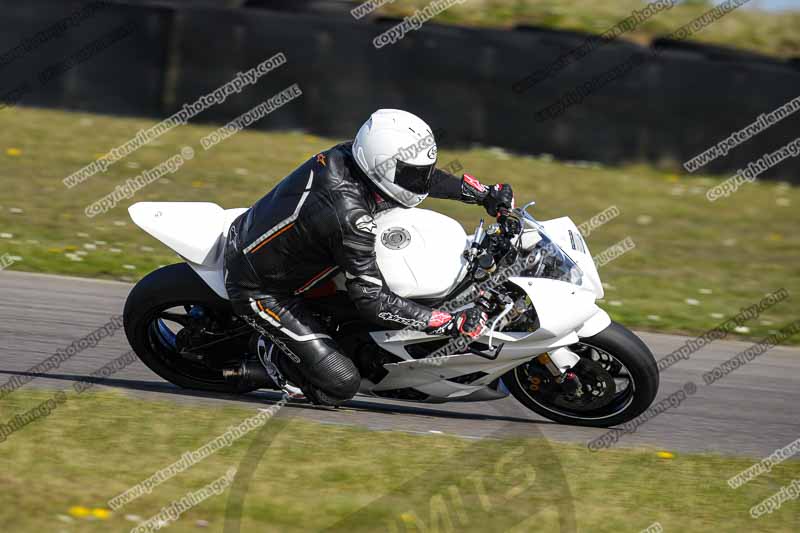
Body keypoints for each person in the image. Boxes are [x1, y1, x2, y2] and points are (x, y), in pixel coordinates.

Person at [224, 109, 514, 405]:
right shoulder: (350, 215)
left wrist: (484, 194)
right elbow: (373, 301)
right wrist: (449, 322)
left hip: (292, 251)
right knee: (339, 385)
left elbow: (421, 180)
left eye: (421, 170)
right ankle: (271, 353)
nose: (420, 180)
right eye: (412, 173)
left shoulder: (353, 157)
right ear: (380, 166)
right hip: (262, 289)